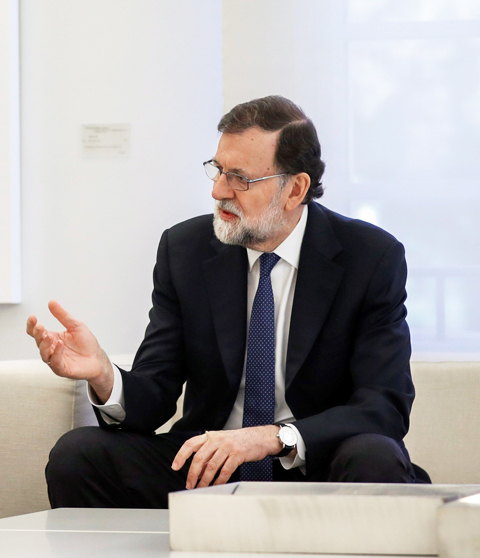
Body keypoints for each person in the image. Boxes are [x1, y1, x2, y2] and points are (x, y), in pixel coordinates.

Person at [28, 95, 428, 510]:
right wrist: (104, 376)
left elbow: (384, 407)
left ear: (295, 188)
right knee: (79, 455)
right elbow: (157, 389)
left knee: (375, 456)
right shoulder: (185, 249)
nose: (219, 190)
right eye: (218, 171)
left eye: (240, 178)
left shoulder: (369, 256)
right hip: (209, 466)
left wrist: (271, 437)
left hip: (315, 462)